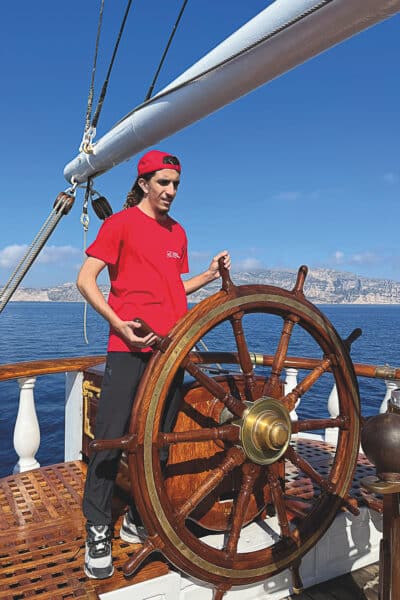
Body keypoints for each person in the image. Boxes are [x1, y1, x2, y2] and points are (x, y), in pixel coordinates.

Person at [76, 149, 231, 579]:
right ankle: (98, 527)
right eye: (163, 183)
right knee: (110, 437)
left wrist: (210, 273)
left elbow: (176, 285)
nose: (171, 191)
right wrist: (119, 325)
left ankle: (140, 518)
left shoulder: (177, 233)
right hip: (128, 347)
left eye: (176, 184)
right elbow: (85, 279)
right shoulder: (119, 224)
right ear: (144, 183)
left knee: (155, 439)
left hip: (170, 351)